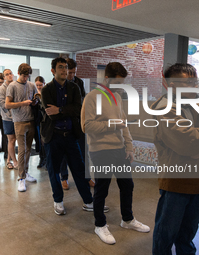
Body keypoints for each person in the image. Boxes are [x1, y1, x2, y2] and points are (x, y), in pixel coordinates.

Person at [151, 63, 199, 255]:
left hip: (198, 181)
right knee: (165, 235)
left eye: (194, 82)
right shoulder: (164, 109)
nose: (193, 88)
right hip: (175, 181)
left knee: (188, 234)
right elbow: (187, 142)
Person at [82, 62, 150, 245]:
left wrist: (129, 147)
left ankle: (127, 220)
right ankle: (100, 225)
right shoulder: (92, 97)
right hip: (101, 150)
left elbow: (124, 124)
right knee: (102, 189)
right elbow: (87, 126)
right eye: (117, 82)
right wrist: (112, 125)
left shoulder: (117, 98)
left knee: (127, 185)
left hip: (119, 150)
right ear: (106, 79)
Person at [41, 57, 99, 215]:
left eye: (66, 67)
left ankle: (88, 201)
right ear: (53, 71)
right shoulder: (46, 90)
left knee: (79, 169)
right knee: (55, 171)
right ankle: (58, 200)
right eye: (61, 67)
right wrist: (67, 109)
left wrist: (59, 110)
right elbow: (50, 115)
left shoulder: (74, 87)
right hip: (53, 137)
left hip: (71, 136)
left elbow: (78, 109)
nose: (64, 71)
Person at [59, 58, 94, 190]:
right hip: (64, 123)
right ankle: (64, 177)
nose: (72, 75)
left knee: (83, 151)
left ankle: (87, 177)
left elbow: (82, 102)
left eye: (74, 72)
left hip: (79, 122)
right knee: (64, 152)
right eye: (70, 73)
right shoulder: (60, 84)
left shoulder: (79, 82)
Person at [5, 63, 38, 192]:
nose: (26, 78)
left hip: (31, 120)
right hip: (19, 121)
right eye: (24, 76)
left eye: (28, 76)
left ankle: (25, 172)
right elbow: (7, 104)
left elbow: (36, 99)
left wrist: (35, 102)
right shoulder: (12, 86)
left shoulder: (31, 85)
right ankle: (21, 178)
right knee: (22, 150)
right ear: (19, 73)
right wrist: (22, 103)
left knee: (29, 149)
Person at [0, 69, 17, 169]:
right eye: (7, 75)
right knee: (11, 139)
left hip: (17, 117)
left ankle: (11, 160)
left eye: (10, 74)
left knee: (15, 140)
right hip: (7, 118)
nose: (9, 76)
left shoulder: (16, 86)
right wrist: (11, 107)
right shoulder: (1, 89)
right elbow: (1, 103)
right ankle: (12, 161)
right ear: (4, 77)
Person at [34, 76, 46, 168]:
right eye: (37, 85)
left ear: (44, 84)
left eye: (40, 85)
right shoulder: (34, 94)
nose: (38, 86)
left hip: (45, 120)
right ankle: (42, 159)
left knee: (45, 140)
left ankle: (47, 159)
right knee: (39, 140)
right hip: (37, 120)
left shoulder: (47, 94)